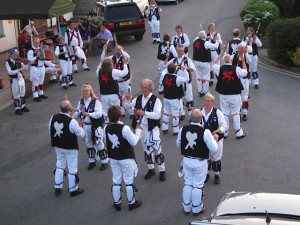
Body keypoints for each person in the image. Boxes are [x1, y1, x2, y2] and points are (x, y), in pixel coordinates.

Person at [176, 108, 218, 216]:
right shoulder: (205, 132)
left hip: (186, 160)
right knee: (198, 185)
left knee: (188, 183)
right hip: (200, 162)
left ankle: (186, 207)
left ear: (190, 118)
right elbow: (214, 149)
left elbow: (178, 144)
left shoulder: (183, 129)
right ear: (201, 120)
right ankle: (196, 208)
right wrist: (215, 140)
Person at [104, 105, 143, 211]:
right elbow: (134, 141)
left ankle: (117, 202)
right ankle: (131, 203)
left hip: (113, 157)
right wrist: (138, 130)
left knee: (116, 179)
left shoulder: (106, 128)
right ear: (120, 116)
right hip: (126, 157)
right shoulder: (124, 128)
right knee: (128, 180)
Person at [128, 79, 166, 181]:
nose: (143, 89)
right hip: (141, 127)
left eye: (145, 88)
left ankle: (162, 170)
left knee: (157, 149)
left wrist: (144, 113)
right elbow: (130, 107)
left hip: (152, 128)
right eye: (142, 87)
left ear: (150, 88)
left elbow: (157, 115)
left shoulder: (156, 100)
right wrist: (126, 101)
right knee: (146, 149)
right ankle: (151, 169)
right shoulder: (138, 98)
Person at [49, 100, 85, 197]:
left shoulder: (53, 117)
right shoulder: (72, 121)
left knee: (60, 164)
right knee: (72, 167)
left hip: (58, 145)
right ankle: (73, 189)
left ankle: (58, 186)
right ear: (70, 109)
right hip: (70, 147)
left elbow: (50, 130)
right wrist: (80, 125)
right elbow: (81, 134)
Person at [213, 51, 247, 139]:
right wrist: (243, 61)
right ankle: (238, 133)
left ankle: (225, 132)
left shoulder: (220, 69)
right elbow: (245, 72)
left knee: (225, 113)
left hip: (223, 95)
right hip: (235, 95)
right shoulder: (236, 69)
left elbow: (214, 65)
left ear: (224, 61)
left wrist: (220, 56)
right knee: (235, 113)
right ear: (231, 60)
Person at [74, 84, 108, 170]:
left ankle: (104, 161)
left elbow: (99, 114)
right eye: (84, 91)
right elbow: (77, 113)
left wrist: (88, 114)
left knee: (99, 143)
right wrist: (73, 114)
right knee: (88, 143)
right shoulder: (81, 102)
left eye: (87, 90)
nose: (85, 92)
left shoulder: (96, 101)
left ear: (90, 91)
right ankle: (92, 161)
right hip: (85, 126)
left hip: (95, 125)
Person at [101, 44, 133, 118]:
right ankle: (122, 111)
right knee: (119, 97)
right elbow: (103, 59)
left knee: (128, 97)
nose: (117, 51)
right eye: (116, 50)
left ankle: (131, 112)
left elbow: (128, 56)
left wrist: (121, 50)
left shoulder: (125, 58)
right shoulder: (112, 58)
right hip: (117, 82)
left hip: (125, 81)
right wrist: (104, 50)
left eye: (119, 50)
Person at [164, 44, 196, 119]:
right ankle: (182, 113)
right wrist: (167, 58)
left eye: (181, 50)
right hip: (177, 82)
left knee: (189, 98)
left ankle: (191, 115)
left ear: (184, 50)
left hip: (186, 82)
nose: (180, 52)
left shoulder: (187, 60)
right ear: (176, 51)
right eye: (178, 50)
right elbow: (165, 65)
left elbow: (193, 69)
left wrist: (186, 68)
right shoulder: (174, 60)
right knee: (179, 97)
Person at [201, 94, 226, 184]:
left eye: (209, 101)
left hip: (216, 139)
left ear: (212, 102)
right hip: (204, 139)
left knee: (216, 157)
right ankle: (206, 174)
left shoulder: (217, 112)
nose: (207, 103)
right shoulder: (200, 112)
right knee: (205, 157)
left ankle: (216, 175)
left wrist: (218, 132)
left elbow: (223, 125)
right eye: (205, 101)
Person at [96, 56, 129, 124]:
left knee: (105, 111)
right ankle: (116, 124)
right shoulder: (113, 71)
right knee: (115, 111)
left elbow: (98, 67)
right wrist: (125, 64)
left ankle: (106, 125)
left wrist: (102, 61)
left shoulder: (99, 72)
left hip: (104, 95)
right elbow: (124, 73)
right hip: (113, 95)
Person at [160, 63, 188, 135]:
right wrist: (184, 70)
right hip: (174, 99)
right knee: (175, 115)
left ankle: (164, 128)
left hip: (166, 98)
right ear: (175, 70)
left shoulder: (164, 75)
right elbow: (186, 79)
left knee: (166, 113)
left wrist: (170, 67)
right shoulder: (177, 78)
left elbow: (164, 71)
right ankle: (175, 130)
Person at [193, 30, 219, 97]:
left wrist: (205, 37)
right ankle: (206, 92)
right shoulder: (206, 43)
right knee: (206, 77)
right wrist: (216, 40)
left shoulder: (195, 41)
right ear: (204, 36)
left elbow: (198, 37)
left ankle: (200, 91)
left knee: (199, 76)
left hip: (196, 61)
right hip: (204, 62)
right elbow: (215, 46)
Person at [5, 49, 30, 115]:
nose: (16, 55)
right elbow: (10, 72)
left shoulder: (18, 61)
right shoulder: (8, 62)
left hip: (21, 78)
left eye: (16, 54)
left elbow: (25, 68)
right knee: (16, 94)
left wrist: (28, 64)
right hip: (14, 79)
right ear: (11, 55)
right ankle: (17, 108)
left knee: (22, 92)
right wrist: (19, 69)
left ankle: (23, 106)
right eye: (15, 54)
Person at [232, 43, 252, 121]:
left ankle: (245, 113)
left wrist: (246, 53)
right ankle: (238, 113)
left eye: (240, 48)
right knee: (237, 96)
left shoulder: (246, 56)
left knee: (244, 97)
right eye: (238, 48)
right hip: (236, 79)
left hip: (244, 79)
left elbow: (250, 61)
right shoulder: (234, 56)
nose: (238, 50)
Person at [27, 37, 52, 101]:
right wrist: (36, 56)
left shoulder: (40, 49)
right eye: (36, 42)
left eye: (38, 42)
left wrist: (52, 64)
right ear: (33, 42)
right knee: (35, 82)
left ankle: (41, 93)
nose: (37, 44)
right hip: (35, 68)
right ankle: (35, 96)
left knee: (41, 81)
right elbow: (29, 60)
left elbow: (44, 59)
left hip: (42, 67)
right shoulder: (30, 50)